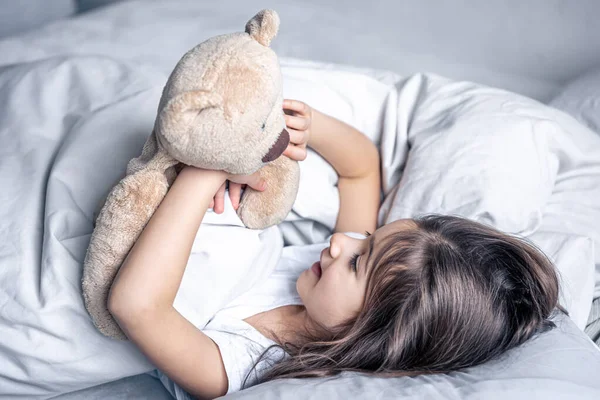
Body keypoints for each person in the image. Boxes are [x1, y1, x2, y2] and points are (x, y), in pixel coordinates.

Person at [107, 100, 562, 399]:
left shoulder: (241, 367)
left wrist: (205, 171)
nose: (341, 241)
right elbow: (361, 169)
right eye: (367, 239)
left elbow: (137, 306)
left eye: (358, 261)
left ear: (373, 329)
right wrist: (311, 126)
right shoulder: (327, 290)